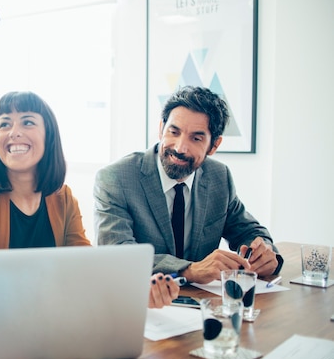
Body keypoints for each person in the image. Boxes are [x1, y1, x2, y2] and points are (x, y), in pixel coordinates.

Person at [0, 91, 179, 359]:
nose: (14, 131)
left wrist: (135, 295)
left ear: (49, 136)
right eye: (4, 124)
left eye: (27, 121)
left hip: (47, 342)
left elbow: (88, 271)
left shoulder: (63, 198)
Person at [94, 86, 283, 285]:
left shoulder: (219, 177)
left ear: (214, 145)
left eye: (196, 138)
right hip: (140, 302)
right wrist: (189, 270)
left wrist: (263, 254)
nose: (180, 148)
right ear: (161, 129)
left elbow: (248, 231)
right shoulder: (116, 178)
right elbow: (117, 256)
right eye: (174, 132)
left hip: (202, 302)